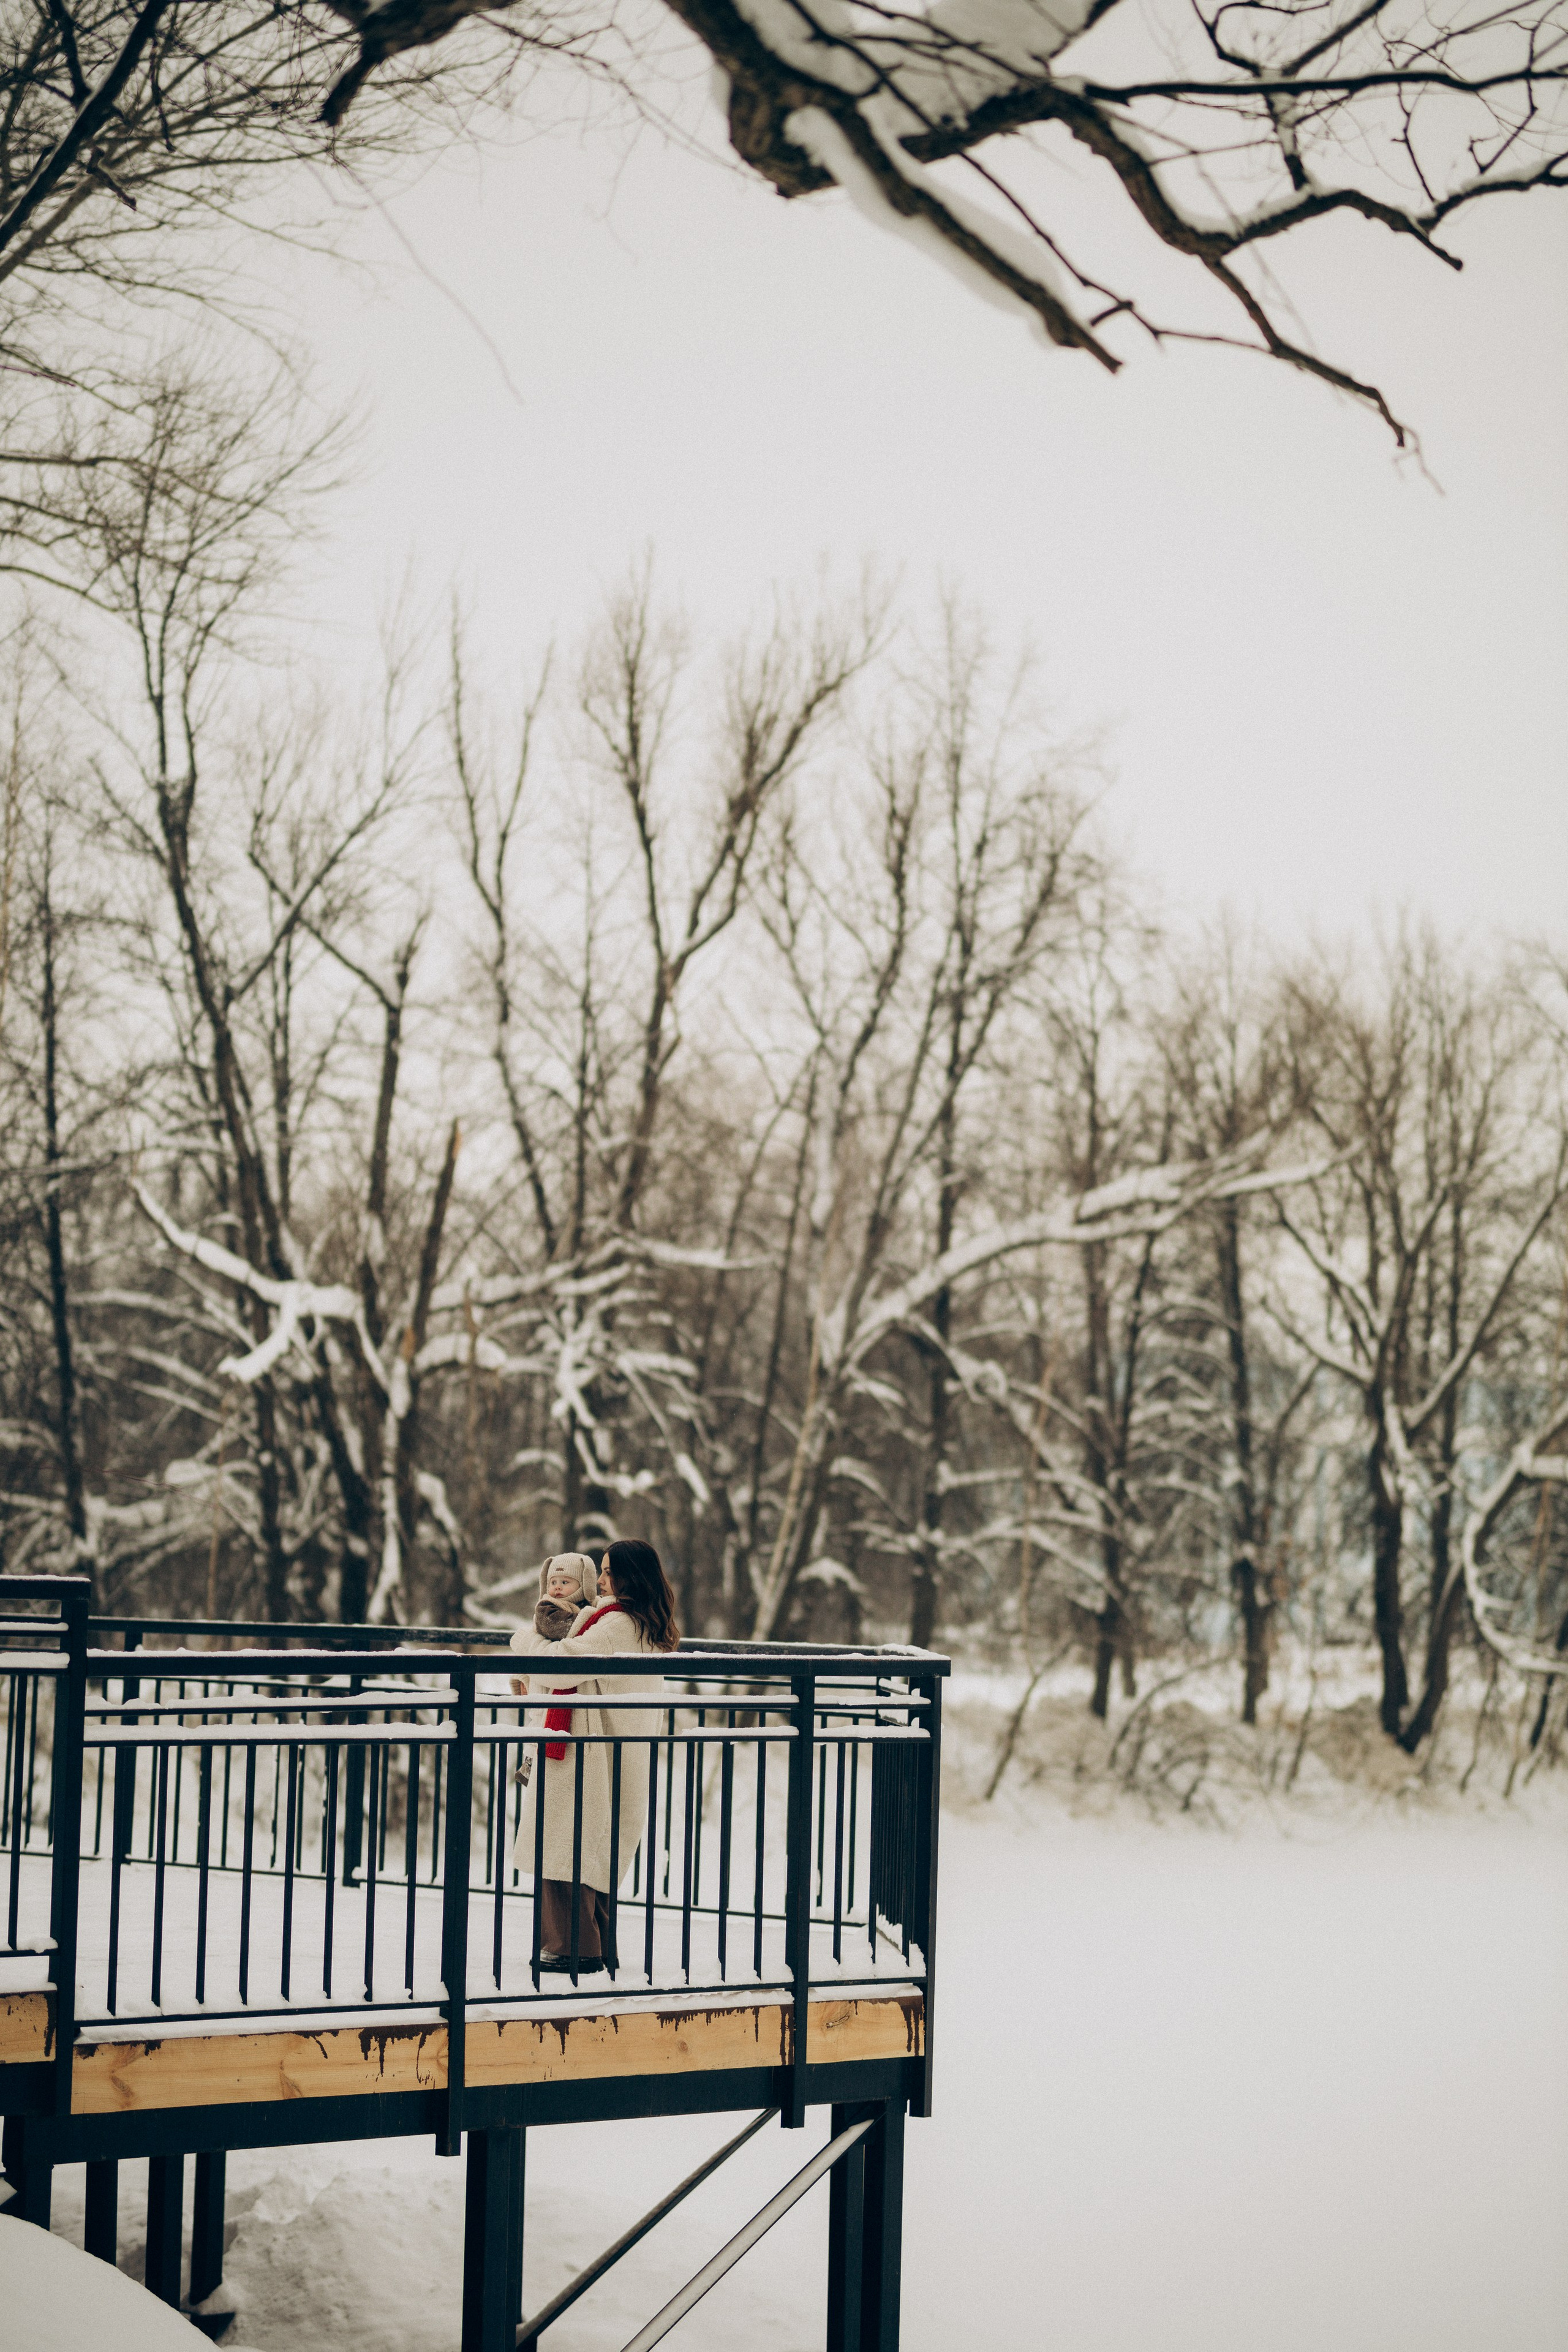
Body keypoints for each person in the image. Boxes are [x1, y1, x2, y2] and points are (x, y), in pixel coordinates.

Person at [509, 1539, 680, 1975]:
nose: (600, 1581)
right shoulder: (643, 1624)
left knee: (569, 1844)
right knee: (592, 1847)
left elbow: (562, 1664)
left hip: (589, 1756)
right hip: (611, 1751)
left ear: (629, 1578)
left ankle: (574, 1951)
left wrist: (524, 1638)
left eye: (608, 1572)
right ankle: (590, 1947)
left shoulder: (618, 1623)